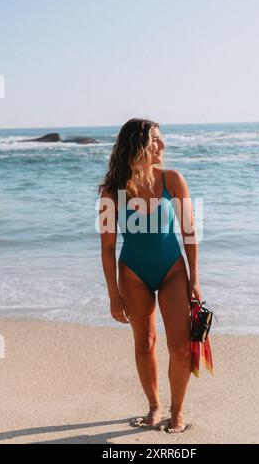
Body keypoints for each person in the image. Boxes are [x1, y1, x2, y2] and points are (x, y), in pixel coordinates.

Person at [97, 118, 203, 433]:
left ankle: (178, 411)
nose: (162, 145)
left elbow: (190, 232)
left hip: (172, 270)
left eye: (161, 138)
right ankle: (155, 406)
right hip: (133, 273)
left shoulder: (173, 180)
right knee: (144, 342)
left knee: (181, 345)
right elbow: (107, 248)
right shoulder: (111, 192)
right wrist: (113, 294)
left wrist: (194, 277)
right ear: (137, 146)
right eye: (155, 140)